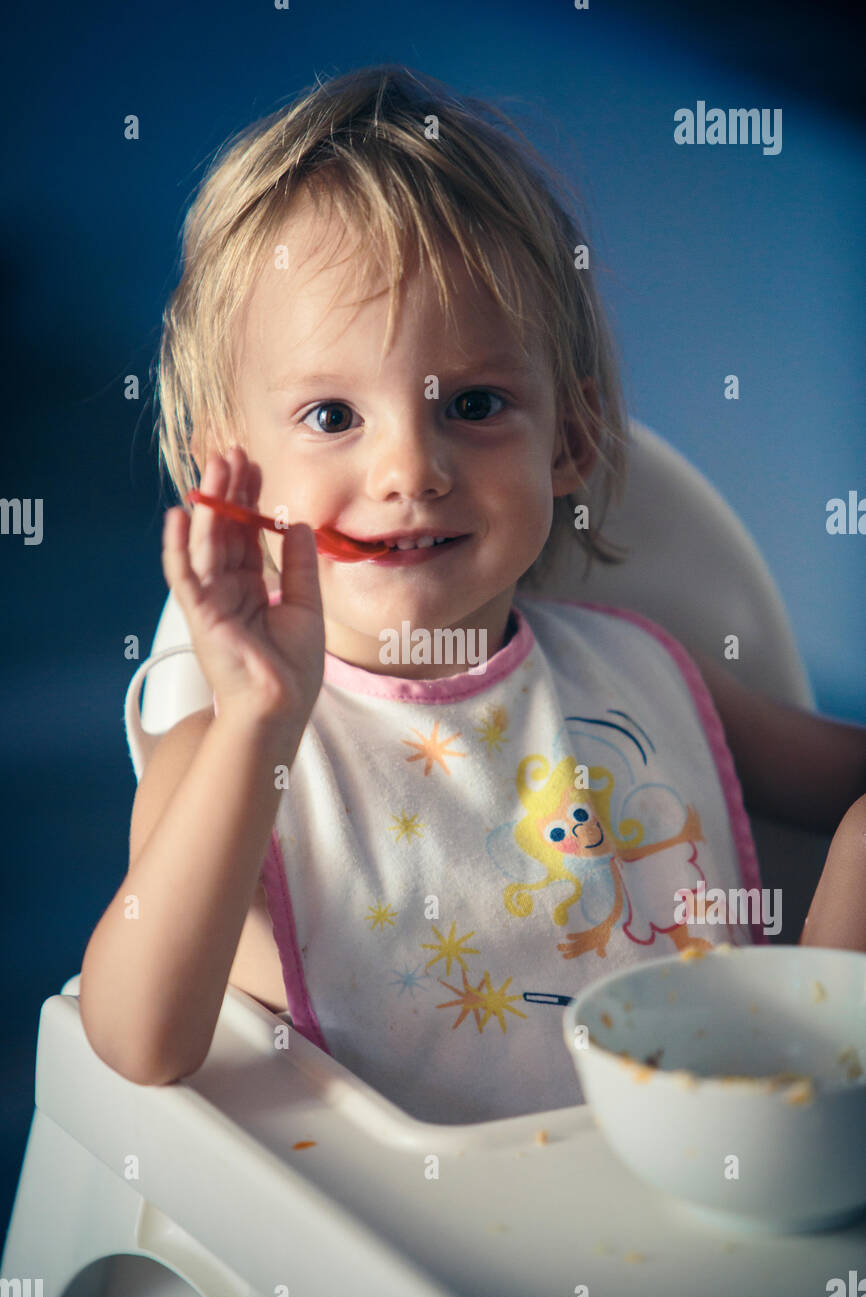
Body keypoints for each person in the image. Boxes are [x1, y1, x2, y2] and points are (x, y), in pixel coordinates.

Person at [79, 65, 866, 1123]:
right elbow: (137, 1041)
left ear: (571, 439)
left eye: (476, 403)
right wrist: (259, 719)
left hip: (714, 1194)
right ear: (232, 469)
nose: (412, 467)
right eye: (330, 416)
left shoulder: (645, 674)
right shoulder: (228, 753)